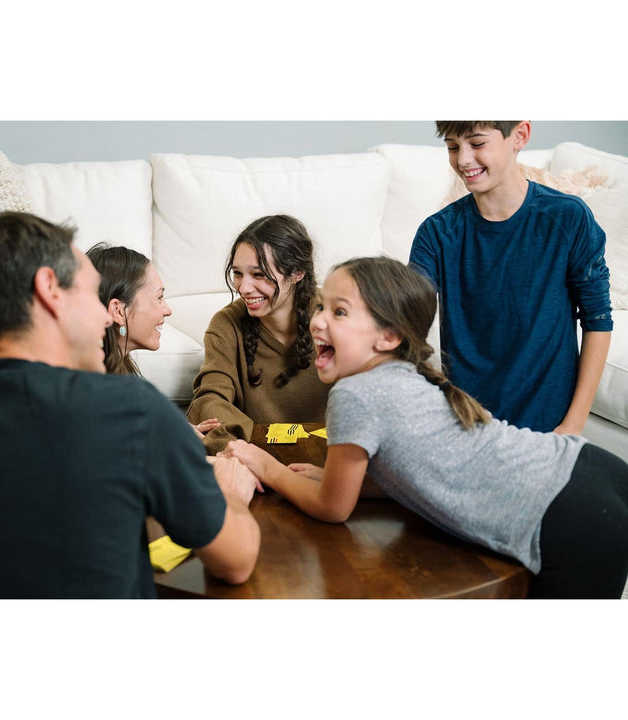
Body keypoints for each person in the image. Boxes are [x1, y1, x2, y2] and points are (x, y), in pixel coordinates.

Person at [223, 256, 628, 598]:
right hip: (587, 474)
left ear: (388, 337)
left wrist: (267, 466)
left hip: (570, 516)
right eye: (321, 307)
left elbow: (333, 509)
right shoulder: (402, 374)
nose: (318, 321)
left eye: (339, 311)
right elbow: (414, 470)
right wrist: (334, 479)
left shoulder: (354, 395)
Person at [0, 211, 260, 599]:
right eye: (89, 292)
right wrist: (230, 493)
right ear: (49, 289)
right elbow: (236, 560)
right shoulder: (132, 411)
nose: (102, 315)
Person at [409, 121, 613, 434]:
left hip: (548, 427)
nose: (462, 159)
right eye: (452, 146)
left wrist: (572, 426)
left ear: (519, 136)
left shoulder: (568, 217)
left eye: (477, 144)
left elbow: (597, 319)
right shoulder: (436, 233)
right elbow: (405, 315)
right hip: (467, 425)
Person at [187, 214, 330, 454]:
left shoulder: (337, 314)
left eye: (259, 274)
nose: (243, 288)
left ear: (297, 273)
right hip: (254, 461)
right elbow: (210, 399)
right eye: (238, 273)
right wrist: (254, 450)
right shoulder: (226, 324)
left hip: (334, 463)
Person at [85, 242, 219, 437]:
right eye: (159, 298)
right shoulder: (96, 393)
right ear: (118, 311)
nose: (167, 310)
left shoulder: (118, 378)